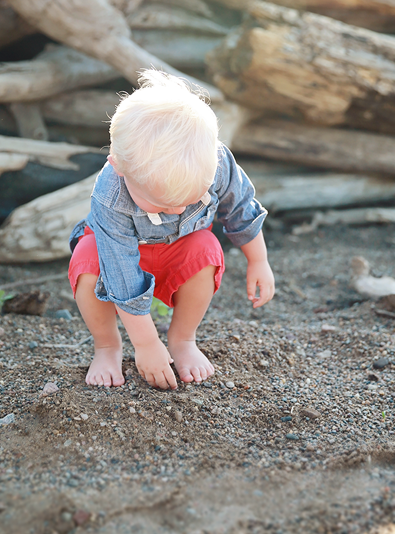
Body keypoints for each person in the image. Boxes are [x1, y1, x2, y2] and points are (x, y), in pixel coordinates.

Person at [68, 70, 274, 390]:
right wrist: (147, 345)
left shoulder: (214, 160)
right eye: (161, 204)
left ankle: (182, 340)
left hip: (177, 250)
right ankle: (107, 347)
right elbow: (120, 272)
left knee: (205, 248)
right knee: (87, 259)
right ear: (119, 167)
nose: (178, 210)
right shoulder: (110, 195)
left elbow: (241, 208)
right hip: (119, 257)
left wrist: (258, 260)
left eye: (190, 200)